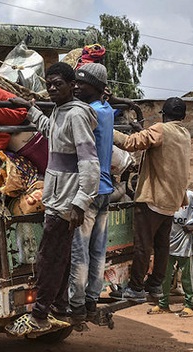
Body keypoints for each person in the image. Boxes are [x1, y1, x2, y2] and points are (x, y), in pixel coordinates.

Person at [4, 62, 100, 335]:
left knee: (49, 258)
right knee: (61, 256)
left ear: (73, 86)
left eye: (58, 84)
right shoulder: (61, 111)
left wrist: (80, 203)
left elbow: (90, 163)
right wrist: (29, 108)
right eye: (49, 85)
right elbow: (50, 131)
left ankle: (39, 314)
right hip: (57, 198)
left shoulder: (77, 116)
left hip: (67, 202)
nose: (53, 88)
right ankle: (59, 306)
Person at [112, 97, 191, 302]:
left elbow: (130, 143)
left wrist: (105, 129)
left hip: (153, 197)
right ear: (182, 117)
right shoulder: (184, 133)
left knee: (143, 245)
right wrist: (141, 129)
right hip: (172, 200)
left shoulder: (161, 129)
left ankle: (136, 287)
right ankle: (155, 285)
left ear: (163, 115)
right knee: (162, 245)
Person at [67, 63, 115, 323]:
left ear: (95, 88)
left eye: (81, 84)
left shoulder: (87, 113)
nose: (76, 87)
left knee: (80, 251)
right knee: (98, 249)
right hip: (106, 189)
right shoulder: (106, 110)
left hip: (89, 190)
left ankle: (76, 303)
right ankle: (91, 299)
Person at [148, 190, 193, 317]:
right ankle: (163, 304)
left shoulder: (190, 196)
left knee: (186, 276)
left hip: (183, 243)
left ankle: (189, 305)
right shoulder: (163, 195)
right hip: (166, 243)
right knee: (164, 275)